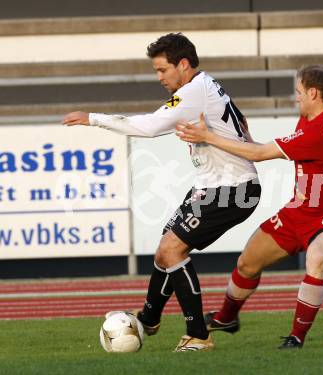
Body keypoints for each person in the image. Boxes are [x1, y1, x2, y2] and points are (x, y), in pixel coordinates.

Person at [62, 33, 261, 352]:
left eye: (162, 70)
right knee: (163, 250)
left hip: (231, 188)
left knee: (172, 251)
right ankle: (149, 319)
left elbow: (150, 127)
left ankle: (198, 335)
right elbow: (242, 123)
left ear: (183, 64)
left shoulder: (193, 91)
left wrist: (93, 119)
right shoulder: (206, 85)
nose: (159, 78)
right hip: (213, 184)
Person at [176, 65, 323, 349]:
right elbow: (258, 147)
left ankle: (297, 337)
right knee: (247, 263)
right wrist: (243, 134)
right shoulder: (312, 118)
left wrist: (208, 136)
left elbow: (259, 154)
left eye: (298, 92)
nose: (295, 97)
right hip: (297, 213)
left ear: (313, 93)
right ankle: (226, 318)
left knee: (317, 257)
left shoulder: (320, 132)